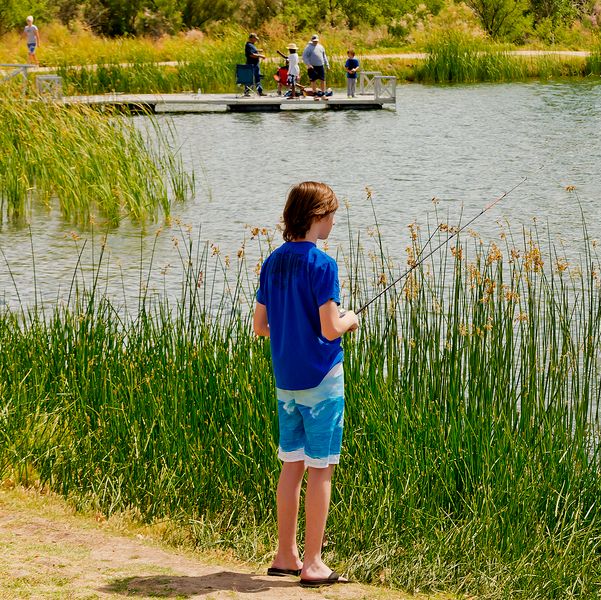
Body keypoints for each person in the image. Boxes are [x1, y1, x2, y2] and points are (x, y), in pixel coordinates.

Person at [253, 181, 358, 588]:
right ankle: (313, 563)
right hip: (321, 380)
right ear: (318, 216)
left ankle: (285, 555)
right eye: (331, 215)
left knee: (291, 464)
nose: (333, 222)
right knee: (322, 467)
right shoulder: (322, 264)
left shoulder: (272, 262)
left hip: (287, 382)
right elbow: (331, 329)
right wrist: (351, 319)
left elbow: (261, 326)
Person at [302, 35, 329, 100]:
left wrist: (327, 64)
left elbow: (324, 56)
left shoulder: (321, 47)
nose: (315, 42)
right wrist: (308, 64)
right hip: (312, 67)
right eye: (314, 41)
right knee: (313, 80)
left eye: (316, 41)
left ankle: (323, 94)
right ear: (311, 40)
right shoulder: (308, 48)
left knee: (323, 80)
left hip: (320, 66)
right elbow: (304, 57)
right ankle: (315, 95)